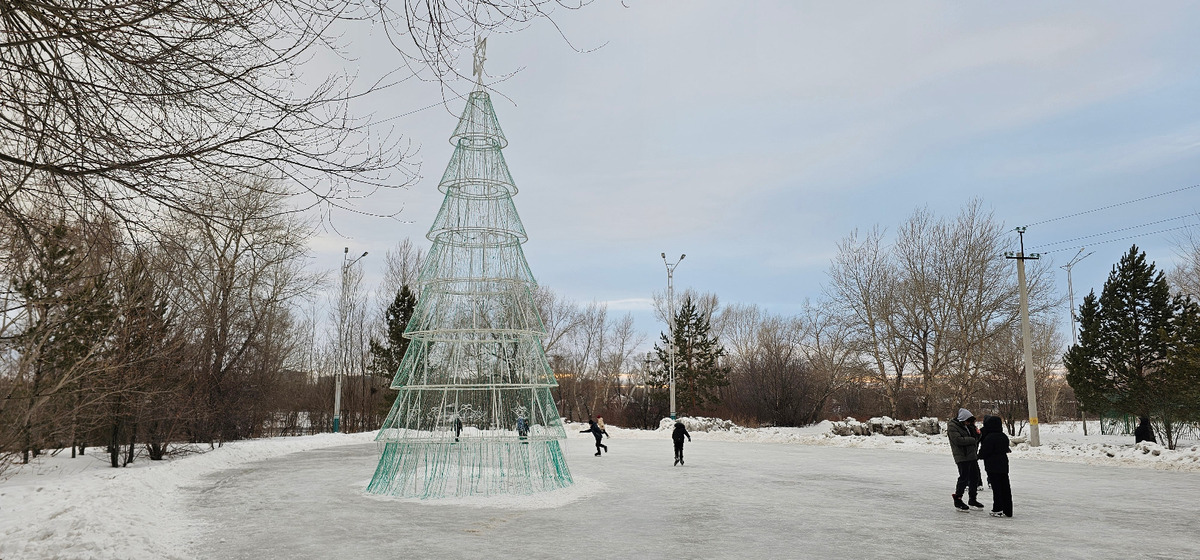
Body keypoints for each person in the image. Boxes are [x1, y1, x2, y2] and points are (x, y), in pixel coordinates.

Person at [947, 408, 984, 511]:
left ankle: (973, 499)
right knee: (964, 478)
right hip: (962, 456)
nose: (968, 423)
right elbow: (957, 440)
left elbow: (977, 437)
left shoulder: (968, 426)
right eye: (967, 421)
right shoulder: (952, 426)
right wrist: (972, 440)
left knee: (974, 477)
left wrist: (977, 433)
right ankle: (958, 499)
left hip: (972, 455)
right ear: (962, 419)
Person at [977, 415, 1013, 518]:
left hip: (992, 465)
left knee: (997, 488)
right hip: (1003, 465)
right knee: (1005, 487)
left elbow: (985, 452)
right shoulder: (1003, 436)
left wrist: (979, 456)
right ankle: (1008, 510)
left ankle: (997, 508)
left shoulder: (989, 437)